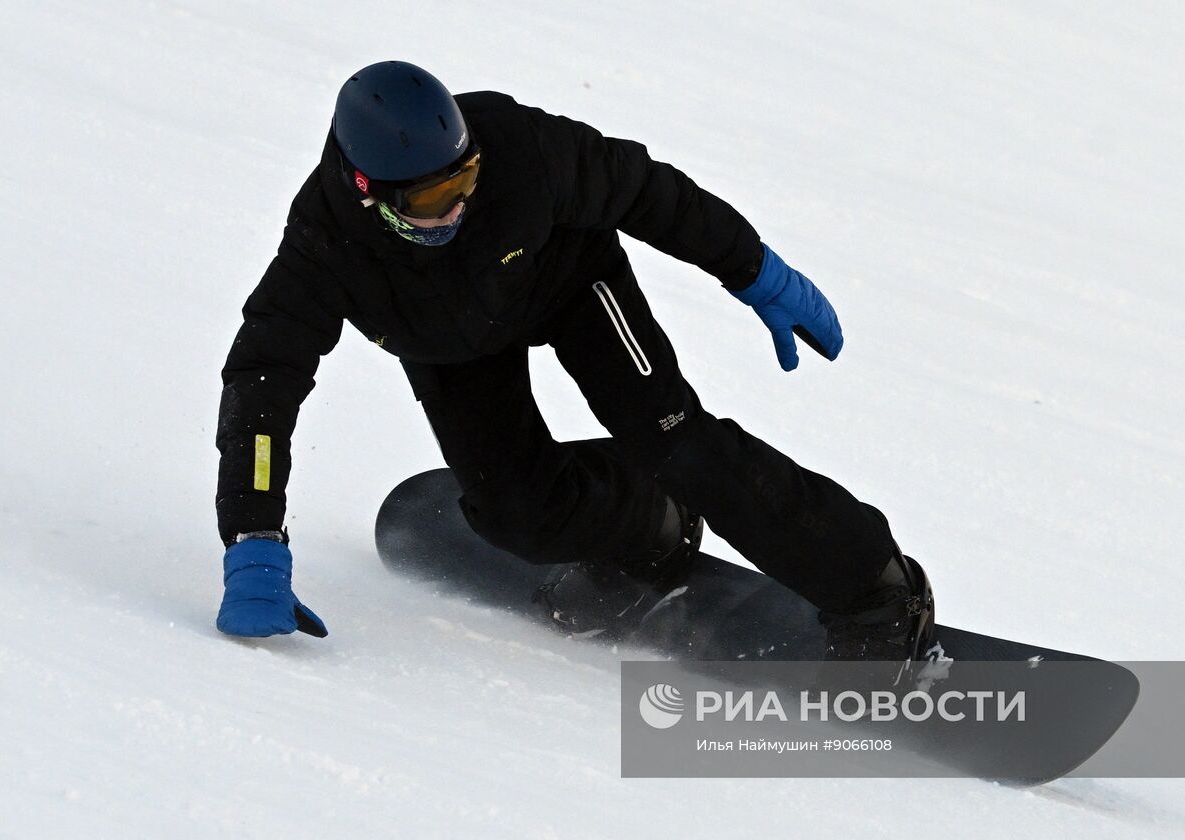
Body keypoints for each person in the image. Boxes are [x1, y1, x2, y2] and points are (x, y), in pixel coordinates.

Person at [215, 61, 934, 663]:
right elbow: (263, 380)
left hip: (566, 282)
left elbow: (650, 192)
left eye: (465, 178)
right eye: (435, 196)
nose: (461, 203)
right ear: (367, 190)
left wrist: (753, 271)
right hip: (450, 344)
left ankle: (876, 587)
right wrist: (253, 535)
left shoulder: (520, 148)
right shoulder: (322, 248)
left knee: (677, 443)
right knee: (514, 512)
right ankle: (647, 528)